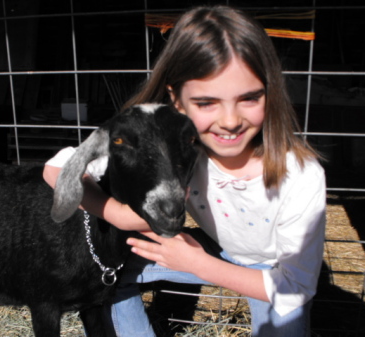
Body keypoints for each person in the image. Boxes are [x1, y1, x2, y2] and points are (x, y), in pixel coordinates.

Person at [43, 5, 326, 337]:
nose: (231, 120)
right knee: (110, 273)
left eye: (249, 98)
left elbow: (294, 288)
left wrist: (198, 264)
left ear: (270, 90)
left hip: (274, 270)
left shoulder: (301, 175)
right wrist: (117, 214)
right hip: (213, 249)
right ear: (177, 102)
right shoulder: (170, 142)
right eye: (207, 103)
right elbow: (57, 167)